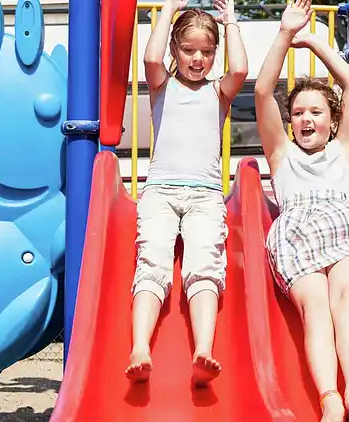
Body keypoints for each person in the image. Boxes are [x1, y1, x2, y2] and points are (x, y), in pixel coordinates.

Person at [254, 0, 349, 420]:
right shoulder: (282, 156)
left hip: (343, 230)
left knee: (345, 298)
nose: (306, 119)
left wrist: (314, 43)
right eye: (298, 113)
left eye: (316, 112)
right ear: (289, 122)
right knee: (314, 305)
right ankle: (329, 397)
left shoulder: (344, 151)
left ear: (333, 119)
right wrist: (285, 34)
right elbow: (261, 90)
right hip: (296, 237)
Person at [125, 0, 248, 387]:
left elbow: (241, 69)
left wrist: (231, 22)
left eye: (207, 52)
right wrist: (168, 11)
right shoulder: (162, 86)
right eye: (189, 50)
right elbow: (149, 56)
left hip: (206, 195)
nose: (198, 59)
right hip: (160, 191)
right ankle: (140, 347)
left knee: (205, 266)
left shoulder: (218, 93)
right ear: (175, 49)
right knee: (153, 262)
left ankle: (204, 349)